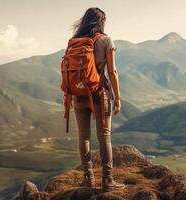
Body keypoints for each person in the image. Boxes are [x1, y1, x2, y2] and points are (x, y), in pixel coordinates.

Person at [70, 7, 125, 192]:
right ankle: (107, 180)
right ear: (102, 22)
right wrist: (117, 97)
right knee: (104, 136)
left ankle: (88, 178)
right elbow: (112, 71)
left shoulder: (74, 42)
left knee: (83, 137)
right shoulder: (106, 40)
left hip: (78, 93)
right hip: (99, 93)